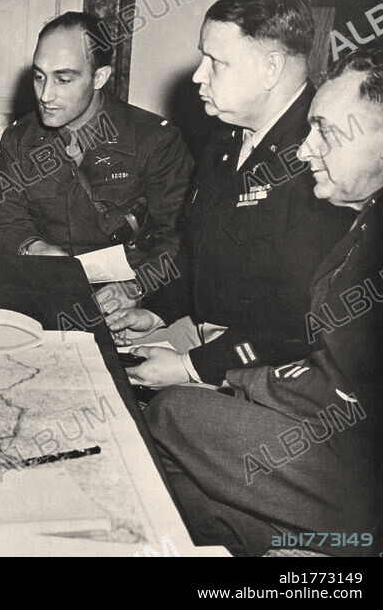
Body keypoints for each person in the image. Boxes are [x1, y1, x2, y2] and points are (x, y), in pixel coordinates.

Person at [144, 41, 383, 557]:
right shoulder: (364, 219)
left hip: (364, 481)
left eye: (326, 130)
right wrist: (240, 380)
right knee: (185, 494)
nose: (304, 149)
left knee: (170, 415)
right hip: (331, 436)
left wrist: (216, 374)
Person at [106, 0, 356, 387]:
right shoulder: (227, 137)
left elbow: (298, 323)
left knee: (151, 413)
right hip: (204, 332)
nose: (197, 75)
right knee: (90, 354)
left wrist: (190, 367)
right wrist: (156, 311)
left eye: (216, 62)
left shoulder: (323, 160)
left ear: (271, 68)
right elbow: (199, 250)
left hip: (264, 363)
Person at [0, 11, 192, 279]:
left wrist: (138, 288)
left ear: (99, 77)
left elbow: (178, 237)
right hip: (45, 281)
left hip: (132, 293)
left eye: (64, 79)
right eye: (39, 77)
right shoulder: (20, 141)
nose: (45, 95)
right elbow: (1, 226)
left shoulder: (156, 141)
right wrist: (33, 248)